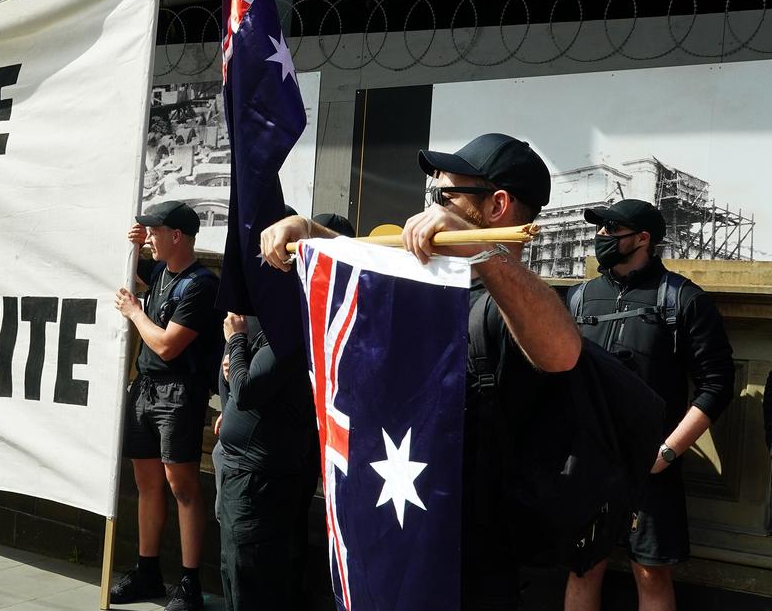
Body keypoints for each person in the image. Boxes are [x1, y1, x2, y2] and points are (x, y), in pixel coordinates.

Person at [261, 133, 583, 610]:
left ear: (497, 206)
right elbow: (374, 265)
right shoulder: (439, 288)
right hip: (403, 539)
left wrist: (486, 253)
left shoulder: (511, 302)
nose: (431, 207)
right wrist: (310, 231)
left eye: (445, 195)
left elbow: (563, 352)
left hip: (472, 562)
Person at [564, 199, 735, 611]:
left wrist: (667, 451)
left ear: (643, 238)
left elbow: (717, 383)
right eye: (600, 227)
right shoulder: (577, 298)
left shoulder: (684, 299)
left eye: (612, 228)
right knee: (582, 567)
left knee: (651, 572)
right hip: (588, 463)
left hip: (652, 465)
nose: (601, 235)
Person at [111, 200, 223, 611]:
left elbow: (166, 344)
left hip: (178, 393)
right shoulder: (159, 270)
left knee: (183, 486)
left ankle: (190, 582)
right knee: (146, 483)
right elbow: (129, 261)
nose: (151, 238)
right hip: (145, 389)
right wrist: (136, 244)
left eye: (155, 231)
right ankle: (147, 570)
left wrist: (135, 312)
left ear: (177, 235)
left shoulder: (200, 284)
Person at [216, 311, 317, 611]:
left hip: (258, 482)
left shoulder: (288, 329)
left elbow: (247, 390)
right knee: (234, 571)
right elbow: (238, 381)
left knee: (253, 579)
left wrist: (236, 343)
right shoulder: (254, 319)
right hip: (239, 473)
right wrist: (234, 365)